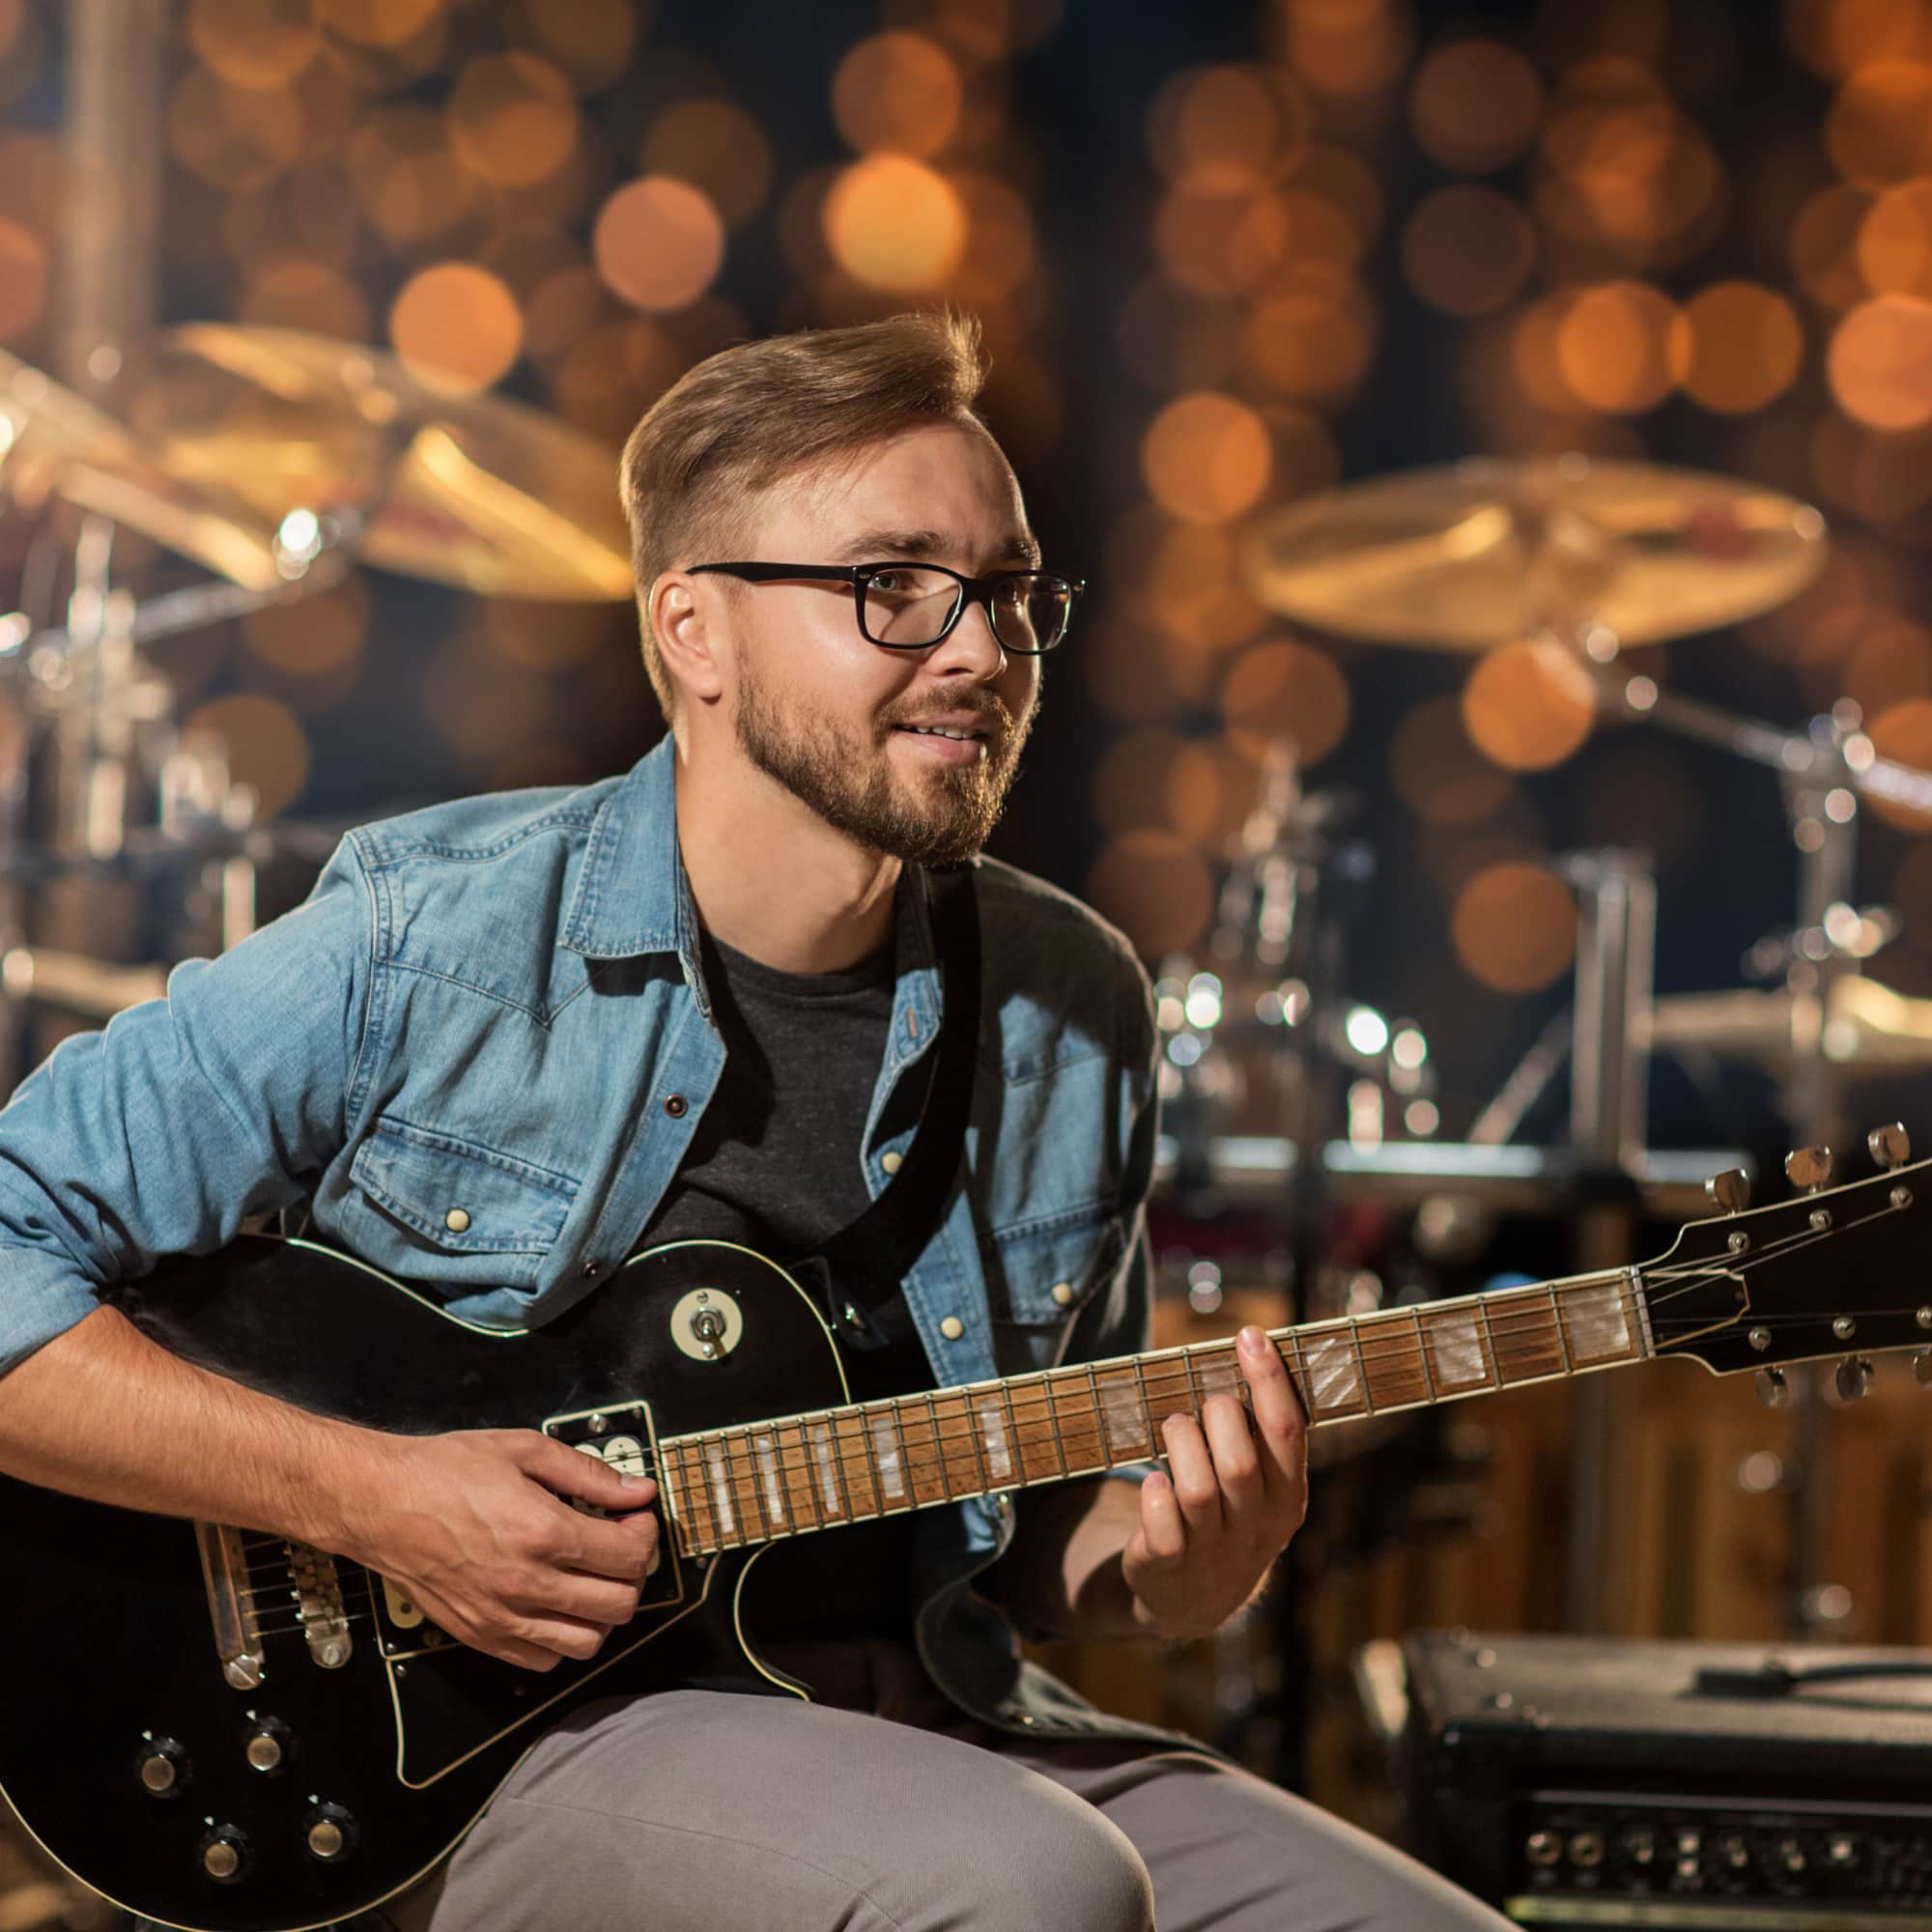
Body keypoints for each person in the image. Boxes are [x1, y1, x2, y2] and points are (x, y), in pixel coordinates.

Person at [0, 312, 1506, 1930]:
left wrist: (1180, 1571)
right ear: (694, 633)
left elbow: (1025, 1520)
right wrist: (369, 1498)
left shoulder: (1075, 1003)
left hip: (927, 1712)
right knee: (1031, 1886)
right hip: (484, 1753)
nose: (984, 652)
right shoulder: (428, 942)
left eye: (1009, 595)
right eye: (894, 586)